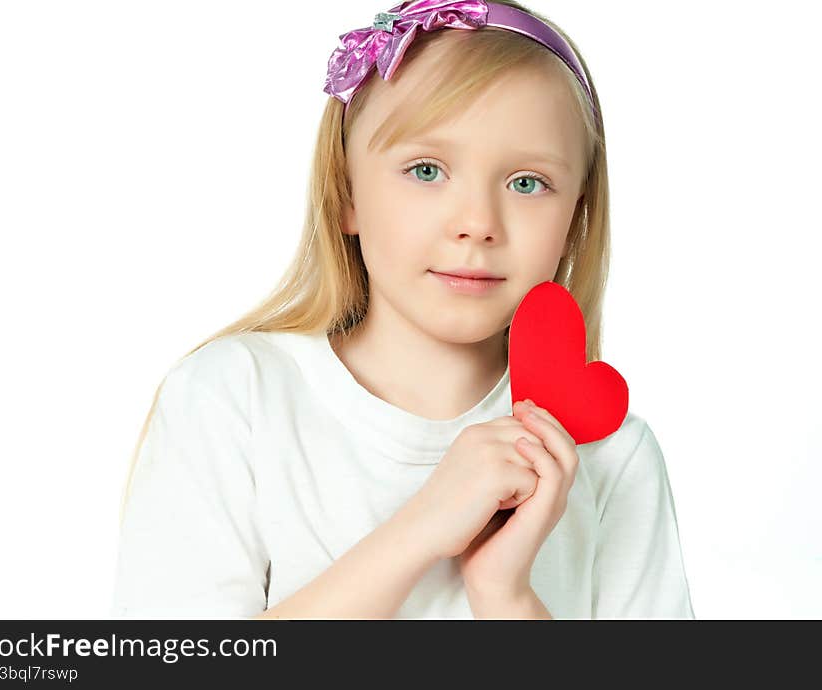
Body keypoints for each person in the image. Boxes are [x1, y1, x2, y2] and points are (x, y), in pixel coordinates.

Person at [111, 0, 695, 619]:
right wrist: (419, 530)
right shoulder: (235, 401)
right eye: (426, 169)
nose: (477, 224)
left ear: (576, 217)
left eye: (526, 182)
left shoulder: (613, 458)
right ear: (346, 195)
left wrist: (505, 594)